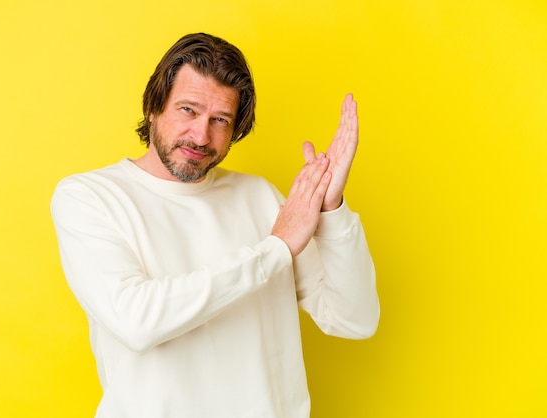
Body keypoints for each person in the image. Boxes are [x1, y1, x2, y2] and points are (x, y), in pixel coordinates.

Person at [51, 32, 379, 418]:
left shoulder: (259, 197)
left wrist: (331, 210)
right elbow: (136, 320)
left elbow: (354, 320)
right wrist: (275, 248)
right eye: (188, 110)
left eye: (220, 119)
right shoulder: (89, 197)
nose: (201, 136)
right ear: (154, 108)